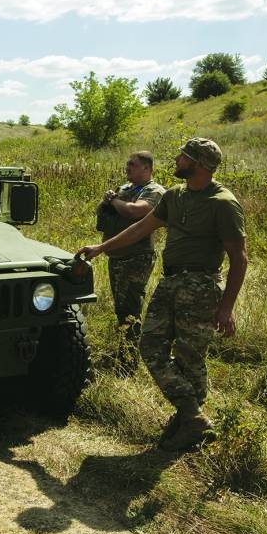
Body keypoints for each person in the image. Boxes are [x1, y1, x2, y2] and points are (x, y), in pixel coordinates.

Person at [77, 138, 247, 452]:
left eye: (183, 157)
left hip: (201, 287)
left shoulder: (222, 203)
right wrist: (101, 248)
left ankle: (188, 422)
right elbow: (141, 228)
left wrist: (227, 307)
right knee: (150, 345)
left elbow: (239, 259)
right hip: (170, 283)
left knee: (190, 358)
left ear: (199, 165)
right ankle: (192, 416)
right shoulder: (174, 196)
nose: (177, 160)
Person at [96, 151, 165, 374]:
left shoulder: (154, 191)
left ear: (147, 168)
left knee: (130, 311)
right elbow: (102, 212)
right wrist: (106, 201)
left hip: (136, 258)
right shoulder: (125, 189)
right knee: (121, 309)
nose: (127, 167)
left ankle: (128, 362)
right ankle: (123, 354)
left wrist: (114, 201)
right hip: (117, 256)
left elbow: (136, 212)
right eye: (127, 163)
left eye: (133, 165)